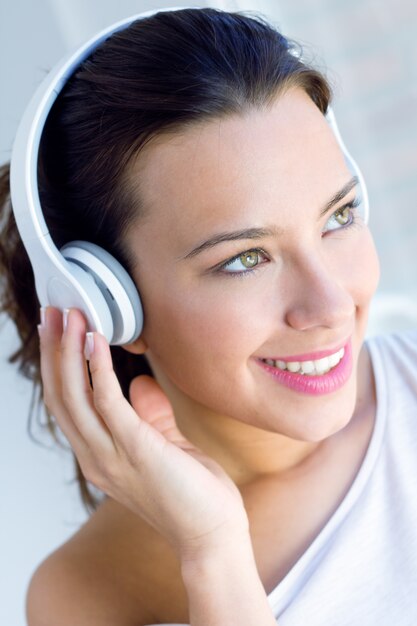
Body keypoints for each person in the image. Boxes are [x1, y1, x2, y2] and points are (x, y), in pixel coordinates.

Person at [1, 6, 416, 625]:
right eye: (246, 258)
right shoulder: (85, 595)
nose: (330, 306)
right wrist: (212, 554)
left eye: (339, 217)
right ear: (106, 302)